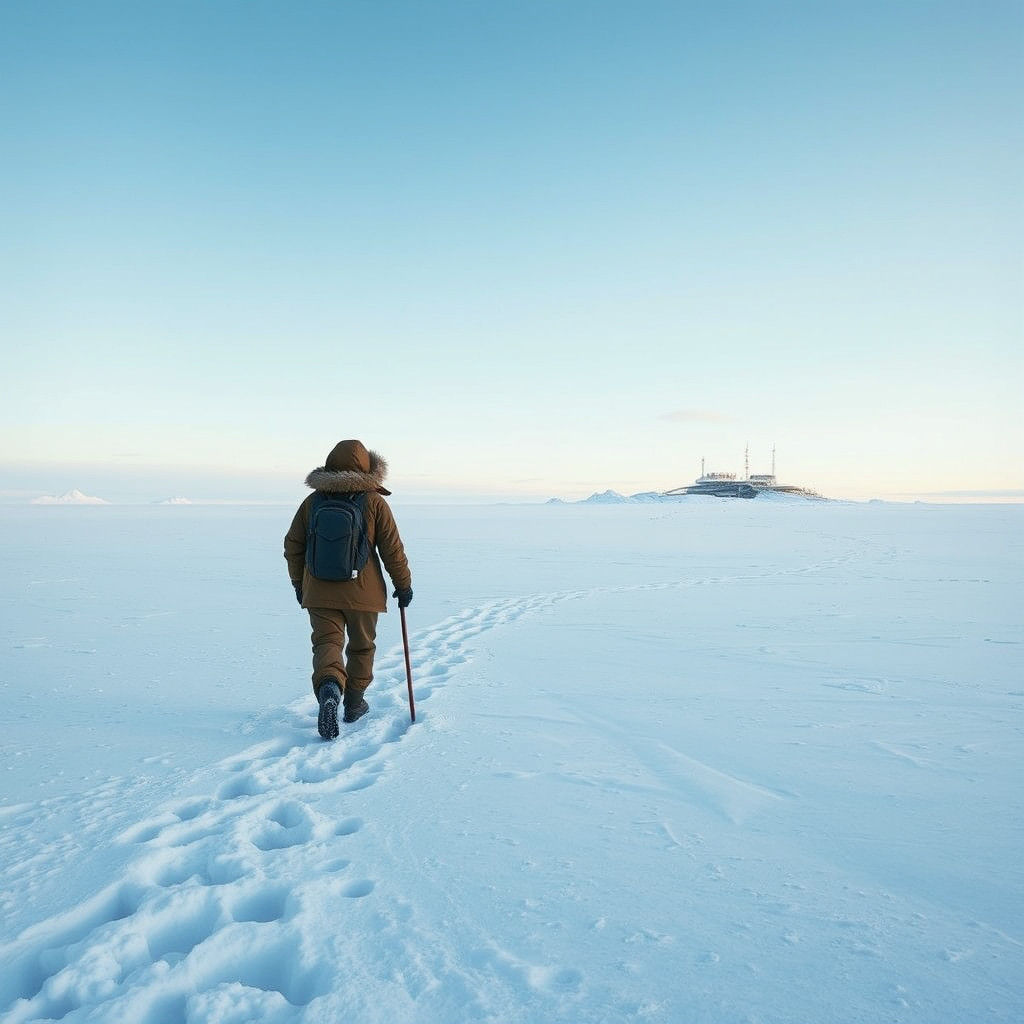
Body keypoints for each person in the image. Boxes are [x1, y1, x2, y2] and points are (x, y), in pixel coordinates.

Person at [284, 440, 413, 739]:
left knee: (327, 643)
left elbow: (293, 545)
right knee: (361, 647)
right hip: (363, 593)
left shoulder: (313, 502)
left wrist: (298, 582)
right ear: (368, 467)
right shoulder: (374, 502)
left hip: (318, 589)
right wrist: (403, 585)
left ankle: (330, 687)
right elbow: (392, 550)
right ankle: (354, 704)